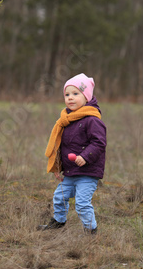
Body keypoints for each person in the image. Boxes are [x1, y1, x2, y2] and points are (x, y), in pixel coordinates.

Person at [39, 73, 107, 235]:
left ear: (86, 97)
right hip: (70, 171)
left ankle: (91, 231)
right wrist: (58, 167)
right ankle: (58, 221)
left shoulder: (92, 120)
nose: (70, 98)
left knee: (82, 203)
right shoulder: (67, 120)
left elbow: (99, 143)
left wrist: (85, 156)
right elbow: (62, 147)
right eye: (67, 94)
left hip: (87, 172)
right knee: (59, 197)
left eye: (76, 94)